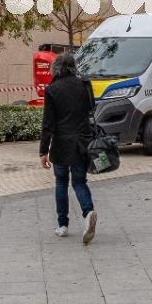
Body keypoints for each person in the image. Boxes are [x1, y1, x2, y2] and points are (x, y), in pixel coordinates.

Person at [38, 51, 98, 242]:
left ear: (55, 68)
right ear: (74, 66)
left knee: (61, 182)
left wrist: (43, 151)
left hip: (61, 144)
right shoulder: (84, 85)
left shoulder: (52, 90)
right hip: (82, 141)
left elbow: (48, 124)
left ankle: (62, 225)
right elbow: (91, 109)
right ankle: (88, 213)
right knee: (80, 181)